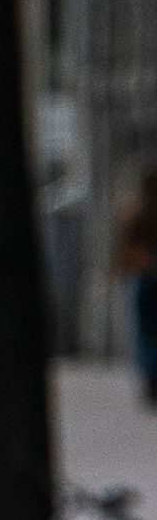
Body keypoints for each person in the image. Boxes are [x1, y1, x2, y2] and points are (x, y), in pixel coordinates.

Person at [114, 169, 157, 408]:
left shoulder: (135, 212)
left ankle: (150, 377)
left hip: (142, 278)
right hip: (147, 277)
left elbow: (126, 247)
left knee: (144, 332)